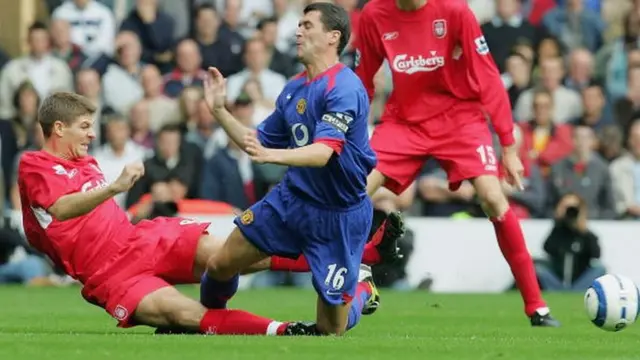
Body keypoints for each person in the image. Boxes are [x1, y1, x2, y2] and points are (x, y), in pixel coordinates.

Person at [17, 91, 397, 335]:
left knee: (229, 256)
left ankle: (362, 257)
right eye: (84, 127)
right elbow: (61, 210)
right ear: (58, 128)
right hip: (107, 274)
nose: (90, 135)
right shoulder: (34, 165)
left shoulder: (84, 162)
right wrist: (115, 188)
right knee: (184, 318)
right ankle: (290, 330)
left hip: (140, 238)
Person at [355, 0, 560, 326]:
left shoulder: (455, 12)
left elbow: (488, 75)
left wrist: (508, 145)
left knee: (493, 197)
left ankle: (536, 305)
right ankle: (356, 267)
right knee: (354, 189)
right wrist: (352, 134)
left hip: (459, 118)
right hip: (404, 121)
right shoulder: (374, 15)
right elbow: (363, 79)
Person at [203, 2, 382, 336]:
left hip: (338, 215)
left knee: (330, 330)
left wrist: (272, 156)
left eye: (307, 25)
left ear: (333, 37)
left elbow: (324, 153)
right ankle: (204, 322)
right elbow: (256, 142)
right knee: (219, 264)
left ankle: (362, 290)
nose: (298, 31)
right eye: (298, 24)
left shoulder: (344, 87)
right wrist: (219, 111)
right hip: (291, 201)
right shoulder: (293, 89)